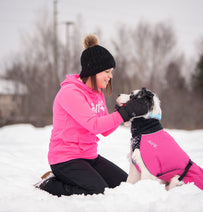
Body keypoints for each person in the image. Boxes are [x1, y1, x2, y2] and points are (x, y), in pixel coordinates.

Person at [35, 34, 149, 197]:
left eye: (111, 72)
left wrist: (126, 111)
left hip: (89, 156)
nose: (110, 76)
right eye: (107, 71)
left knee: (124, 186)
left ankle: (77, 179)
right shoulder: (70, 92)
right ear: (93, 70)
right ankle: (50, 184)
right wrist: (123, 114)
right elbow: (94, 125)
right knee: (97, 191)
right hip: (65, 160)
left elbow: (105, 130)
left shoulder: (96, 93)